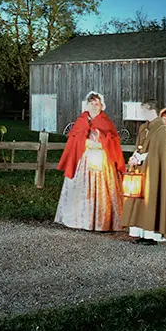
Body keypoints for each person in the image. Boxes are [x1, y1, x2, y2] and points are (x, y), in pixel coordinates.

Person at [54, 91, 127, 232]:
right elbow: (75, 140)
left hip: (102, 160)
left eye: (97, 103)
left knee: (103, 189)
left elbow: (113, 141)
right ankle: (80, 220)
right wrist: (85, 141)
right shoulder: (81, 120)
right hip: (84, 159)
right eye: (91, 103)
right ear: (87, 105)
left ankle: (103, 221)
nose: (94, 106)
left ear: (102, 106)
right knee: (81, 188)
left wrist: (102, 141)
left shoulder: (106, 122)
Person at [122, 100, 166, 244]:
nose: (142, 114)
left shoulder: (161, 129)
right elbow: (140, 146)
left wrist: (141, 157)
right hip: (141, 169)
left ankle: (152, 235)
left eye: (144, 111)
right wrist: (135, 156)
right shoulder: (144, 127)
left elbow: (159, 154)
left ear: (151, 110)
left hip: (154, 171)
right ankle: (141, 232)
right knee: (140, 200)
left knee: (152, 199)